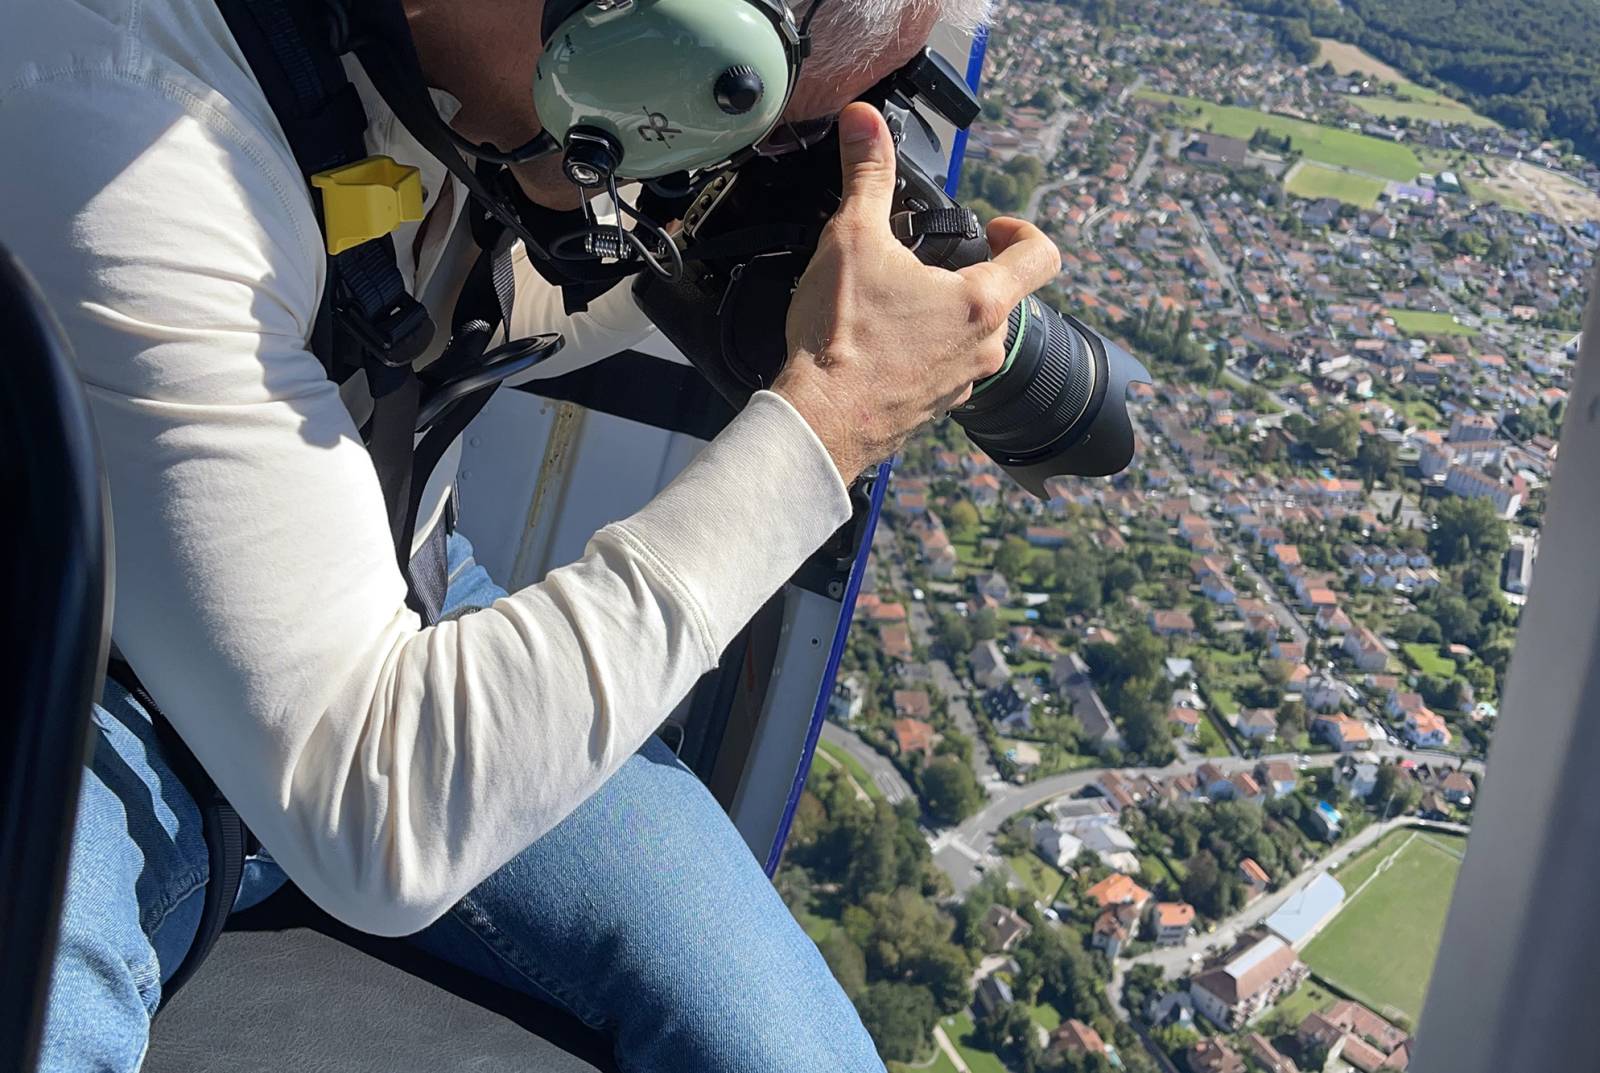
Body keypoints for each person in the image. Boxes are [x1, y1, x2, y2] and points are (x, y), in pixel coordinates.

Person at [1, 0, 1060, 1068]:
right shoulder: (120, 121)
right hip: (75, 684)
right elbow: (375, 806)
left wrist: (725, 256)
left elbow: (433, 316)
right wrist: (832, 415)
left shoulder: (444, 65)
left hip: (402, 583)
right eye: (769, 120)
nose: (732, 159)